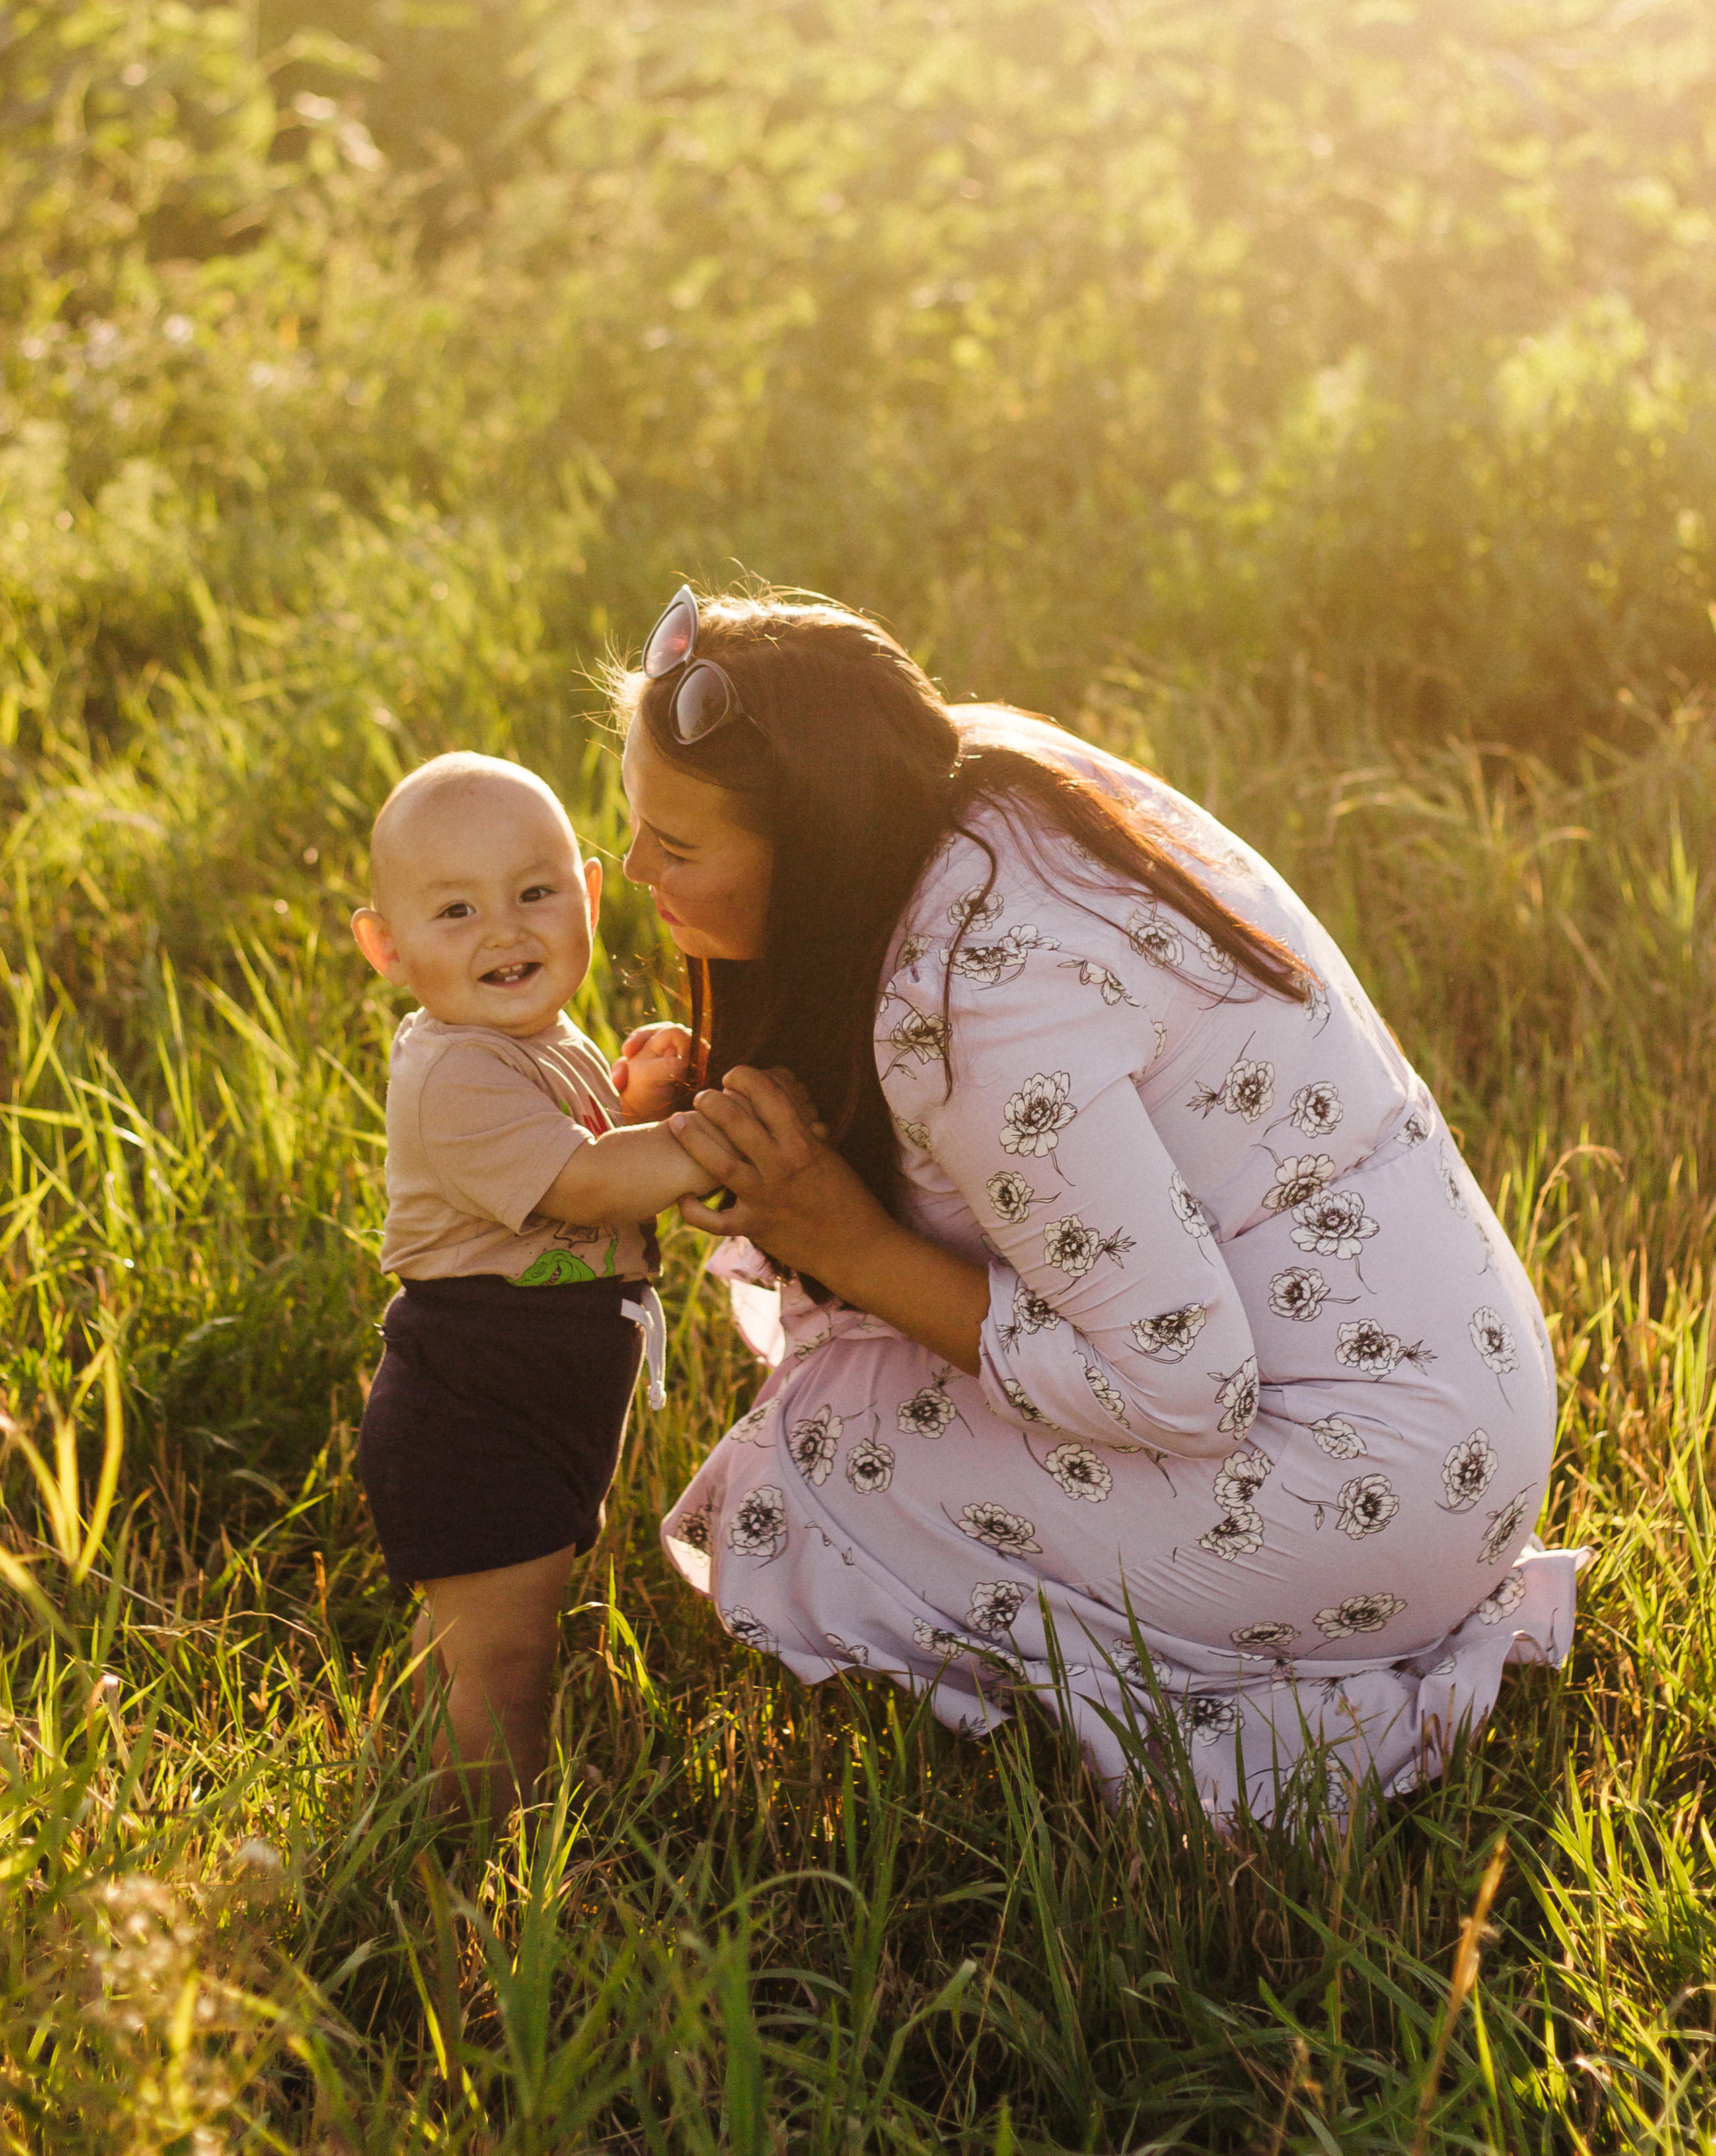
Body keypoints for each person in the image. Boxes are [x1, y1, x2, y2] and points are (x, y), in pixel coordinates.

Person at [612, 587, 1584, 1820]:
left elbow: (1188, 1384)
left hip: (1369, 1499)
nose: (638, 870)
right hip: (1468, 1396)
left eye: (679, 848)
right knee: (881, 1353)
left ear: (815, 852)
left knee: (827, 1451)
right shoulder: (988, 779)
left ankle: (1307, 1683)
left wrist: (842, 1241)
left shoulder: (968, 1001)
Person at [350, 751, 713, 1828]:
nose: (505, 932)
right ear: (388, 948)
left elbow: (592, 1138)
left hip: (533, 1400)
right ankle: (491, 1844)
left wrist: (641, 1096)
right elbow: (590, 1182)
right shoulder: (453, 1072)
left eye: (535, 893)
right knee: (505, 1653)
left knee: (477, 1634)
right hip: (475, 1410)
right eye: (455, 910)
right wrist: (708, 1138)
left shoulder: (534, 1041)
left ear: (589, 897)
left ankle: (412, 1782)